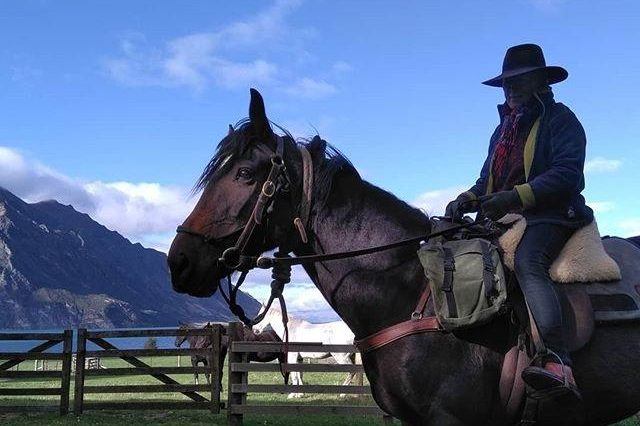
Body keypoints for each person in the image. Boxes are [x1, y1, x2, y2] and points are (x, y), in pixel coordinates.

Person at [445, 43, 593, 402]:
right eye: (506, 83)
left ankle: (558, 358)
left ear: (540, 81)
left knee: (528, 262)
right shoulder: (502, 132)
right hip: (507, 216)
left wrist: (515, 197)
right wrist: (468, 198)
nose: (510, 89)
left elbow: (566, 175)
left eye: (519, 80)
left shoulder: (561, 120)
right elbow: (487, 181)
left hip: (554, 213)